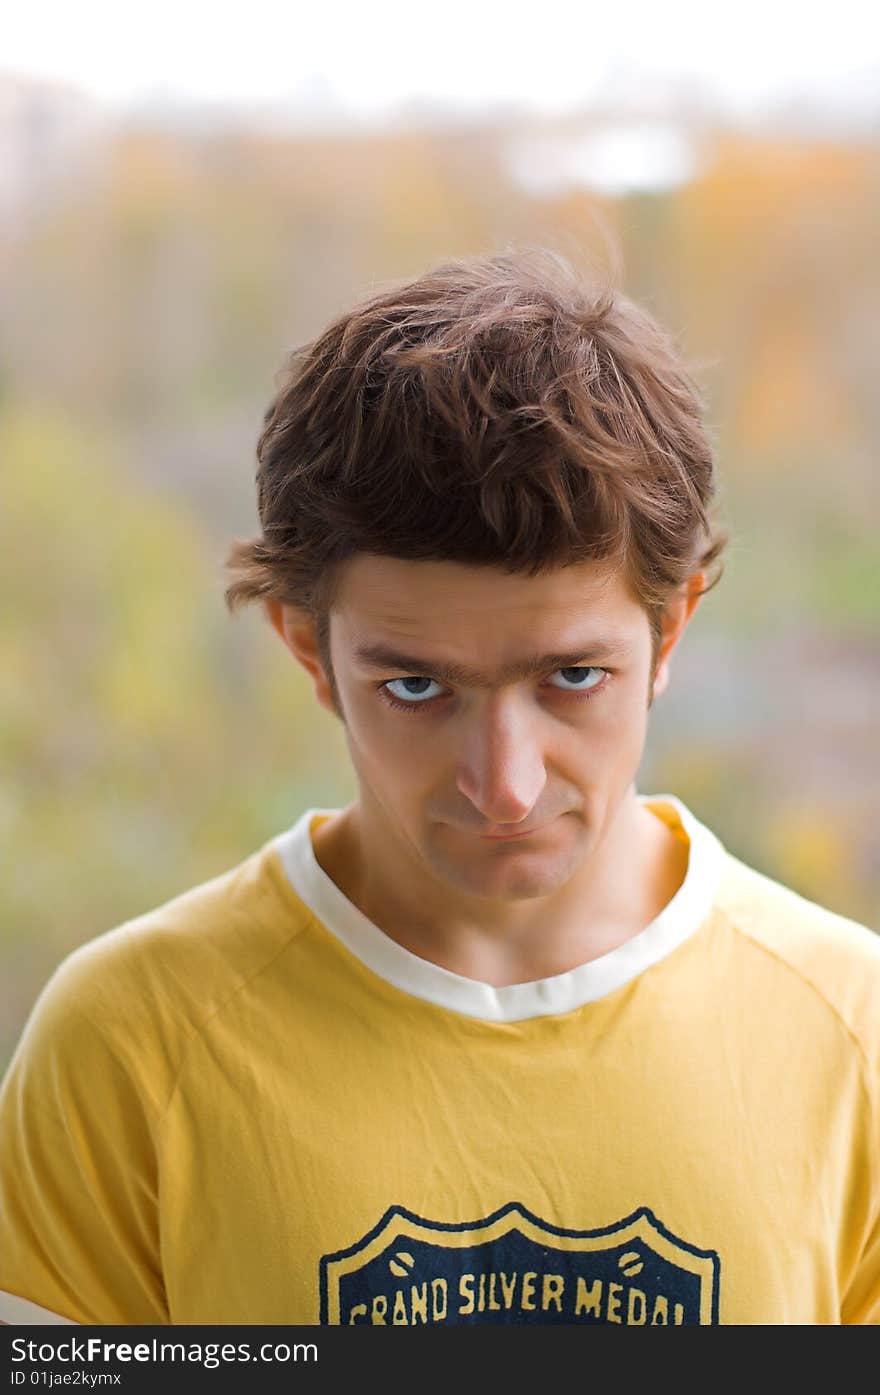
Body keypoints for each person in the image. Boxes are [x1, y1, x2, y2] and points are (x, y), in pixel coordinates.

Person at [1, 247, 877, 1328]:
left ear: (672, 627)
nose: (503, 786)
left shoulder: (853, 1031)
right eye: (416, 686)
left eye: (571, 679)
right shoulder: (131, 1042)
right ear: (307, 649)